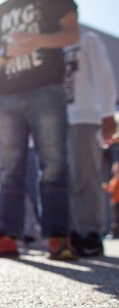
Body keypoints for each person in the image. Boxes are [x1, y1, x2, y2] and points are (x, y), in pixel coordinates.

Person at [0, 0, 80, 259]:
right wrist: (8, 53)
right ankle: (7, 236)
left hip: (47, 89)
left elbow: (73, 33)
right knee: (9, 167)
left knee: (53, 164)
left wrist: (37, 41)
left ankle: (58, 236)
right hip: (8, 95)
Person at [65, 30, 118, 256]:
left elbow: (103, 75)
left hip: (85, 116)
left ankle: (91, 232)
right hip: (60, 119)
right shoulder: (49, 47)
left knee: (87, 176)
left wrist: (107, 113)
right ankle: (74, 230)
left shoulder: (86, 39)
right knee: (69, 179)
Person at [103, 162, 119, 239]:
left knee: (116, 219)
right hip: (115, 201)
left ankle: (115, 233)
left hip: (117, 201)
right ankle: (115, 234)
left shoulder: (116, 180)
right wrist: (105, 187)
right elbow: (110, 190)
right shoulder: (114, 180)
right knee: (114, 219)